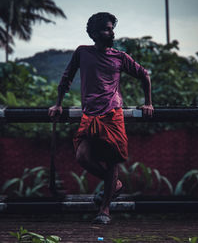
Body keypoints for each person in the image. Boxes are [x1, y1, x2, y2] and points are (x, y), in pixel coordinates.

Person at [48, 12, 154, 224]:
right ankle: (114, 185)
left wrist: (148, 102)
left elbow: (144, 75)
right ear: (94, 33)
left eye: (112, 28)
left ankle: (105, 209)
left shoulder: (120, 57)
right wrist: (58, 103)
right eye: (107, 29)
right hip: (89, 115)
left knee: (112, 159)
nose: (111, 32)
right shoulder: (82, 53)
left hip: (112, 114)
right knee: (82, 156)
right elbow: (66, 77)